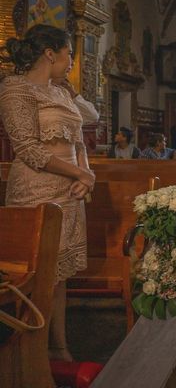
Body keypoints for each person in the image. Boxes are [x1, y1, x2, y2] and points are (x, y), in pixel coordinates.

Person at [0, 24, 95, 361]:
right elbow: (29, 150)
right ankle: (31, 355)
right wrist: (80, 172)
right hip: (35, 191)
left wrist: (87, 174)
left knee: (60, 273)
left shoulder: (61, 92)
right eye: (69, 52)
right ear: (50, 53)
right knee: (38, 275)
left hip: (69, 191)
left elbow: (80, 140)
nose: (72, 60)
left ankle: (59, 347)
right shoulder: (15, 89)